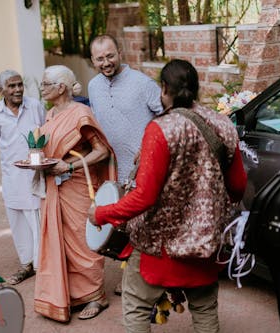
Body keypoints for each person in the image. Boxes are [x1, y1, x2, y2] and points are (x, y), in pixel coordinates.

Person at [88, 59, 247, 333]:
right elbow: (238, 187)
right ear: (196, 88)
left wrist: (101, 214)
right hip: (205, 243)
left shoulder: (160, 129)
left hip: (159, 246)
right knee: (205, 310)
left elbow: (144, 197)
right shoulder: (222, 125)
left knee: (136, 305)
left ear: (164, 89)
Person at [34, 65, 116, 322]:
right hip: (55, 185)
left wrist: (68, 166)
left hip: (78, 184)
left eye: (46, 83)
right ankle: (73, 295)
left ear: (61, 88)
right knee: (61, 239)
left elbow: (101, 151)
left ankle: (95, 296)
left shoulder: (81, 113)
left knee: (83, 241)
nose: (41, 88)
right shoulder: (50, 114)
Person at [88, 33, 163, 296]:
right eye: (100, 59)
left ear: (120, 52)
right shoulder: (93, 87)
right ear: (92, 60)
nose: (106, 62)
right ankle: (132, 278)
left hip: (149, 166)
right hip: (117, 169)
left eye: (110, 56)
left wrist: (148, 147)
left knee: (149, 222)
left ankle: (156, 280)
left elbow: (166, 115)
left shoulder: (142, 83)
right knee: (126, 226)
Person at [0, 70, 46, 284]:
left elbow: (44, 133)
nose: (17, 90)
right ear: (2, 89)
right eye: (11, 86)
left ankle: (42, 266)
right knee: (17, 220)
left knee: (36, 220)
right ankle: (26, 264)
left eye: (20, 85)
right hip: (11, 175)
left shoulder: (35, 106)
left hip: (34, 174)